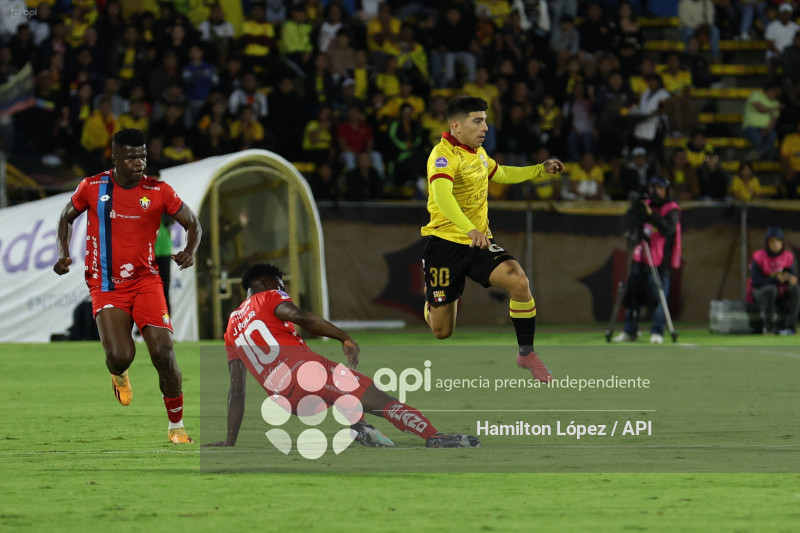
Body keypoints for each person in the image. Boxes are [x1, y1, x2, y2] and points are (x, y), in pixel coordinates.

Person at [204, 263, 480, 449]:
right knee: (380, 398)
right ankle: (433, 436)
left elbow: (236, 390)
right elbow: (300, 316)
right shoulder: (268, 297)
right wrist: (343, 337)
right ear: (266, 283)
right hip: (306, 374)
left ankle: (360, 428)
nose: (284, 290)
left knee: (337, 390)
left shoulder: (231, 326)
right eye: (281, 285)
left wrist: (230, 441)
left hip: (286, 400)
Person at [53, 128, 202, 444]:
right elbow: (66, 217)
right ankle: (118, 374)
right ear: (115, 158)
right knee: (121, 356)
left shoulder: (159, 190)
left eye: (143, 156)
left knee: (163, 351)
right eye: (132, 157)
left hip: (146, 280)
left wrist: (190, 250)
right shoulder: (92, 187)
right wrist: (64, 254)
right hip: (106, 284)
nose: (139, 163)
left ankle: (176, 427)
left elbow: (193, 223)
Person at [421, 96, 564, 383]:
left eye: (485, 120)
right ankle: (432, 300)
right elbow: (442, 196)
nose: (485, 126)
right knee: (442, 331)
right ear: (456, 125)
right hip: (445, 247)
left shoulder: (478, 153)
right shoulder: (442, 155)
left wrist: (539, 169)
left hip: (479, 243)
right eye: (478, 120)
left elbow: (501, 173)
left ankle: (526, 353)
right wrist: (467, 228)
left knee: (518, 280)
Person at [613, 176, 682, 344]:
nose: (656, 191)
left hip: (661, 259)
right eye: (653, 187)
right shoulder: (646, 204)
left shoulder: (671, 208)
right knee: (633, 293)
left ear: (666, 190)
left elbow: (668, 229)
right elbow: (630, 222)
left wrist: (652, 216)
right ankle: (630, 330)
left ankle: (657, 331)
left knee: (660, 296)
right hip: (641, 255)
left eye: (660, 188)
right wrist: (637, 209)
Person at [748, 226, 800, 335]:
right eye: (772, 242)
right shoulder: (758, 257)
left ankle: (790, 328)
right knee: (771, 290)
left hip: (779, 293)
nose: (775, 244)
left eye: (778, 241)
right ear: (767, 243)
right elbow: (756, 282)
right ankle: (769, 328)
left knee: (796, 289)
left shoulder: (788, 256)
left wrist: (791, 278)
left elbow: (791, 274)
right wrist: (775, 279)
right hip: (761, 293)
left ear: (782, 242)